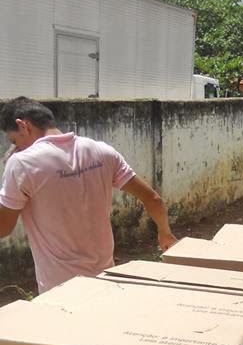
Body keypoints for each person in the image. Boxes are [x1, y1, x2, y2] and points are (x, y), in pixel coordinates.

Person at [0, 96, 178, 293]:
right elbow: (153, 199)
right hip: (105, 279)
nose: (17, 147)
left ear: (23, 125)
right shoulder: (102, 151)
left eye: (15, 140)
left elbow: (3, 228)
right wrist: (165, 233)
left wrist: (8, 172)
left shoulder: (21, 164)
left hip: (60, 288)